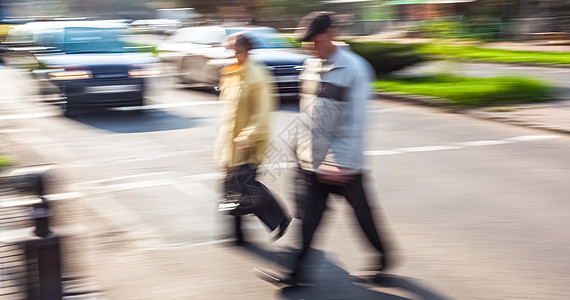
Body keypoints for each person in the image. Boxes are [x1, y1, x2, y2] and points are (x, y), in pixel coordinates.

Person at [260, 12, 391, 285]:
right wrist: (300, 142)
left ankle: (383, 256)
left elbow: (356, 124)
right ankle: (297, 274)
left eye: (315, 42)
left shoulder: (355, 69)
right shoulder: (311, 65)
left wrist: (339, 163)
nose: (310, 48)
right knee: (308, 221)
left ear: (331, 34)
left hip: (343, 166)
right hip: (314, 163)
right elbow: (310, 113)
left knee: (363, 217)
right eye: (307, 44)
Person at [214, 33, 291, 245]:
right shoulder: (231, 73)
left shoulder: (257, 76)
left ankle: (279, 217)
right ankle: (237, 235)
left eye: (235, 51)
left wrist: (248, 136)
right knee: (231, 189)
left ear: (246, 52)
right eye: (228, 50)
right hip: (230, 143)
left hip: (248, 143)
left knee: (245, 187)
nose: (231, 55)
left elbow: (263, 112)